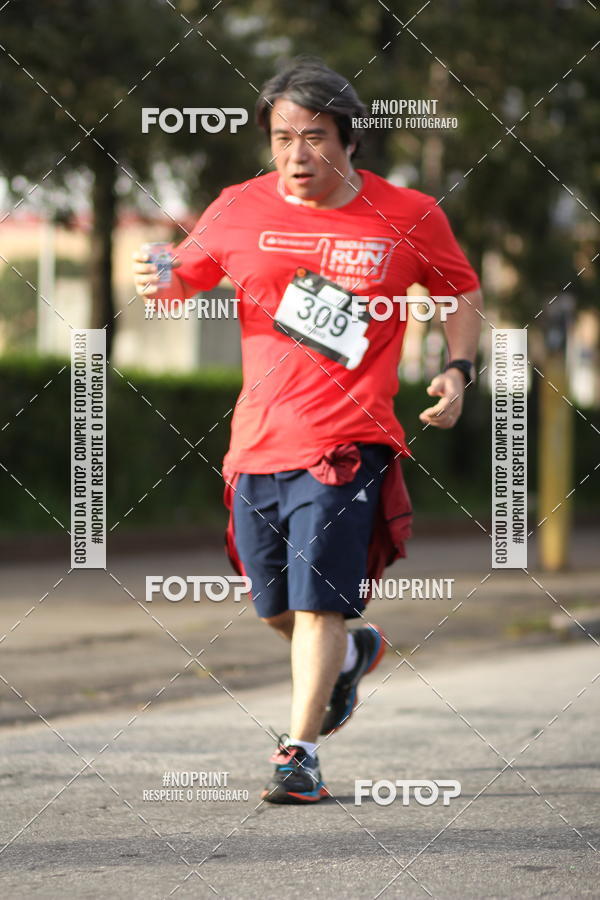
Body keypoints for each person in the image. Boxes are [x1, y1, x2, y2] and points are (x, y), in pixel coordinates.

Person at [133, 57, 483, 804]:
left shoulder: (409, 214)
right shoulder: (237, 207)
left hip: (348, 444)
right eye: (283, 137)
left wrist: (458, 369)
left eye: (315, 136)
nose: (297, 154)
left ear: (350, 141)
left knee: (321, 598)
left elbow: (460, 288)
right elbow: (186, 273)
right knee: (279, 607)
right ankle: (353, 655)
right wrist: (158, 275)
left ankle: (298, 756)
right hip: (257, 444)